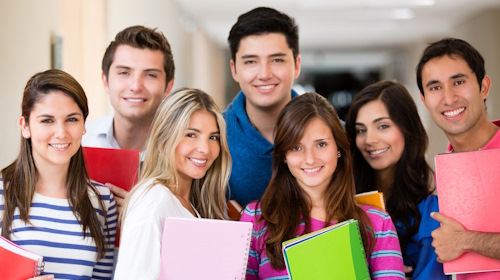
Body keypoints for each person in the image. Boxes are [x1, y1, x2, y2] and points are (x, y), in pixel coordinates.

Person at [240, 92, 405, 279]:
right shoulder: (256, 219)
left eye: (321, 144)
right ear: (284, 155)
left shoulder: (377, 223)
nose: (310, 159)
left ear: (339, 149)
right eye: (296, 147)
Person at [0, 69, 116, 279]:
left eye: (72, 119)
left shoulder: (102, 200)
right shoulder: (3, 193)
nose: (61, 133)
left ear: (83, 126)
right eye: (47, 121)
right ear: (25, 126)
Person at [114, 88, 231, 279]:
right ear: (164, 137)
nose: (205, 149)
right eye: (191, 134)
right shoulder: (153, 201)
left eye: (213, 137)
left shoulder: (191, 205)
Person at [345, 80, 446, 279]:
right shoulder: (343, 200)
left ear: (408, 129)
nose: (370, 140)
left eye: (382, 126)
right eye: (361, 130)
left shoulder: (432, 211)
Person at [417, 37, 500, 279]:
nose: (449, 98)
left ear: (483, 87)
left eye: (458, 82)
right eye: (435, 87)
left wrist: (465, 241)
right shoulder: (446, 172)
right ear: (424, 100)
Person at [82, 25, 175, 211]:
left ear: (168, 87)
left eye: (150, 75)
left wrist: (143, 214)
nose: (135, 86)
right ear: (105, 81)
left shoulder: (184, 152)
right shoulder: (79, 141)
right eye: (124, 72)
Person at [224, 7, 301, 207]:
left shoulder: (335, 135)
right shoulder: (212, 137)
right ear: (234, 69)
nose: (264, 74)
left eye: (277, 60)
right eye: (251, 61)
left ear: (297, 65)